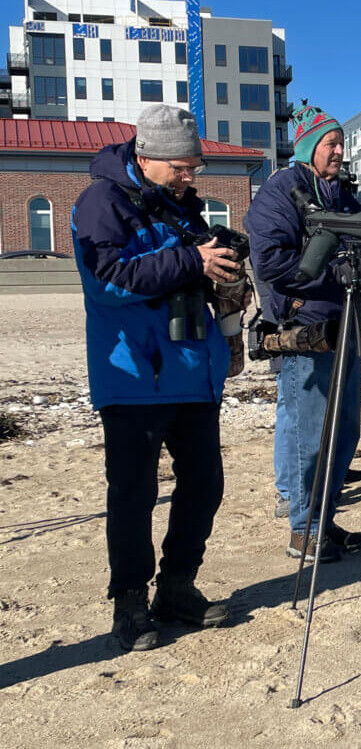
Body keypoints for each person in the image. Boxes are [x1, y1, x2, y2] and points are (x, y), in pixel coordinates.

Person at [72, 104, 235, 651]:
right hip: (133, 375)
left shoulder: (184, 205)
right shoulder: (101, 201)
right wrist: (191, 261)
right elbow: (106, 280)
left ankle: (176, 588)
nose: (190, 177)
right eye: (181, 168)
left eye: (194, 167)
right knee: (133, 493)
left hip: (193, 369)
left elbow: (197, 268)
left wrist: (223, 271)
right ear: (145, 157)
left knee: (205, 484)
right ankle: (129, 603)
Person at [247, 101, 361, 562]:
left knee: (345, 429)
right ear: (308, 147)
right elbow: (270, 263)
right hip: (306, 327)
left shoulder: (341, 194)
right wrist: (333, 273)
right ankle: (304, 529)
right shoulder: (280, 192)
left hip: (345, 322)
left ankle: (324, 518)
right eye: (330, 143)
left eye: (341, 143)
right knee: (309, 432)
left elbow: (360, 244)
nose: (338, 151)